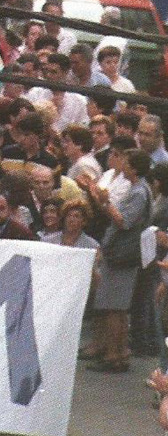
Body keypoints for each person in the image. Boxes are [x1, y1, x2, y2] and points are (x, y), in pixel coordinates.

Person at [88, 148, 153, 371]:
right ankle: (115, 352)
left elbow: (124, 221)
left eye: (126, 162)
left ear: (134, 167)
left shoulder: (138, 192)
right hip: (118, 253)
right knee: (113, 306)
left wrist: (105, 202)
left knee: (115, 307)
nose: (121, 165)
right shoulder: (136, 189)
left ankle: (115, 355)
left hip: (123, 255)